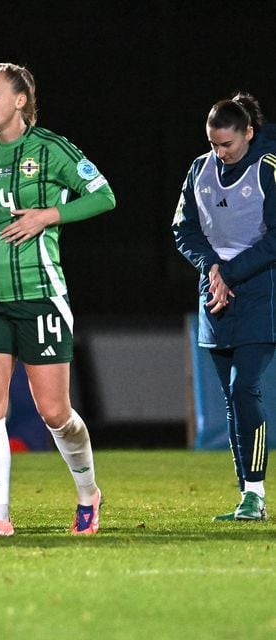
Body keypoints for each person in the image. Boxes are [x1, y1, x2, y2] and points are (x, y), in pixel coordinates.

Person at [0, 62, 115, 537]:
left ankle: (88, 493)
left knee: (54, 412)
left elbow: (103, 196)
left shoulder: (52, 150)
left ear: (20, 101)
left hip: (40, 296)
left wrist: (48, 215)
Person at [173, 94, 276, 521]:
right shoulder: (199, 170)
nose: (221, 153)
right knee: (231, 400)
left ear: (249, 133)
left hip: (257, 292)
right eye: (214, 144)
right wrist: (212, 267)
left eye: (228, 144)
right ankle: (246, 495)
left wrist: (229, 273)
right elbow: (184, 231)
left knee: (243, 389)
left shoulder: (267, 169)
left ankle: (255, 493)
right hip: (214, 294)